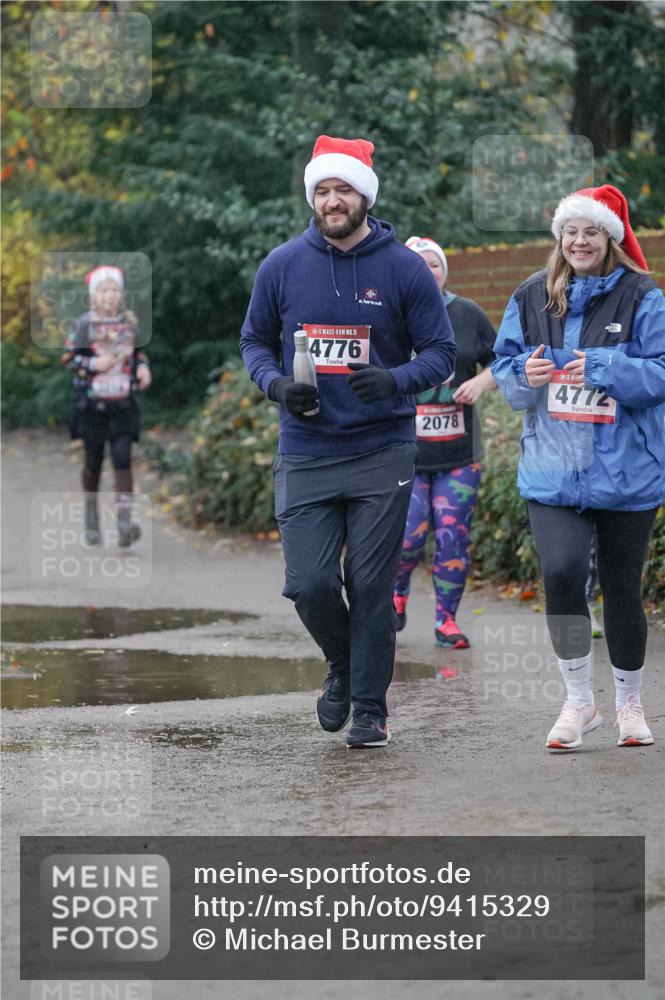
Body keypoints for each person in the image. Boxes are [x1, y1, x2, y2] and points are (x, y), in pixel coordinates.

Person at [240, 135, 456, 748]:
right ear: (313, 197)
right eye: (323, 191)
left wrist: (395, 379)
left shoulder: (403, 268)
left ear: (365, 196)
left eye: (344, 190)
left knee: (369, 585)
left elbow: (441, 351)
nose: (333, 201)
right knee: (309, 583)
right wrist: (278, 386)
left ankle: (369, 707)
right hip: (306, 450)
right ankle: (341, 664)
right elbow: (253, 341)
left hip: (381, 449)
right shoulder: (282, 264)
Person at [491, 184, 664, 751]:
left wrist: (607, 366)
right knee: (562, 574)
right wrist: (524, 375)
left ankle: (629, 702)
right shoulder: (530, 295)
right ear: (559, 237)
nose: (580, 241)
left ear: (610, 238)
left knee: (622, 587)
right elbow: (505, 366)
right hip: (552, 469)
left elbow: (662, 371)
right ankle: (578, 701)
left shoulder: (642, 295)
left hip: (627, 469)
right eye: (571, 231)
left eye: (591, 231)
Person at [392, 237, 497, 648]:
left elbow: (502, 361)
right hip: (405, 455)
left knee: (453, 539)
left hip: (459, 454)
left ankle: (446, 621)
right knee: (407, 538)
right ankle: (396, 595)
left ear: (444, 272)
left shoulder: (467, 313)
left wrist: (480, 382)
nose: (427, 270)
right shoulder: (391, 312)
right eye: (418, 263)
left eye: (434, 264)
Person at [62, 265, 151, 547]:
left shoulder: (129, 324)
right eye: (104, 290)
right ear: (94, 296)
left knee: (123, 459)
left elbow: (138, 355)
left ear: (121, 294)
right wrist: (93, 363)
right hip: (92, 407)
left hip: (122, 404)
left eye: (115, 290)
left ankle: (124, 522)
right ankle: (91, 521)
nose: (110, 295)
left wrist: (142, 369)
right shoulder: (84, 325)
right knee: (94, 462)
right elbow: (69, 359)